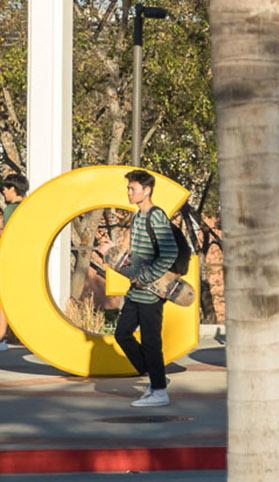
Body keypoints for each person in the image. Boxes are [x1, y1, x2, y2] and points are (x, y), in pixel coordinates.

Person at [91, 170, 179, 408]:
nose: (129, 192)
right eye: (128, 188)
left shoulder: (155, 216)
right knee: (122, 334)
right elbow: (138, 256)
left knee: (151, 341)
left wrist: (147, 277)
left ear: (146, 190)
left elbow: (169, 253)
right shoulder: (138, 217)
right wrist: (113, 250)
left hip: (152, 291)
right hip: (136, 289)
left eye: (133, 188)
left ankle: (159, 391)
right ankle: (156, 377)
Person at [0, 173, 25, 352]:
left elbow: (10, 238)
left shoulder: (11, 210)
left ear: (13, 190)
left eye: (5, 188)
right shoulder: (29, 207)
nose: (3, 191)